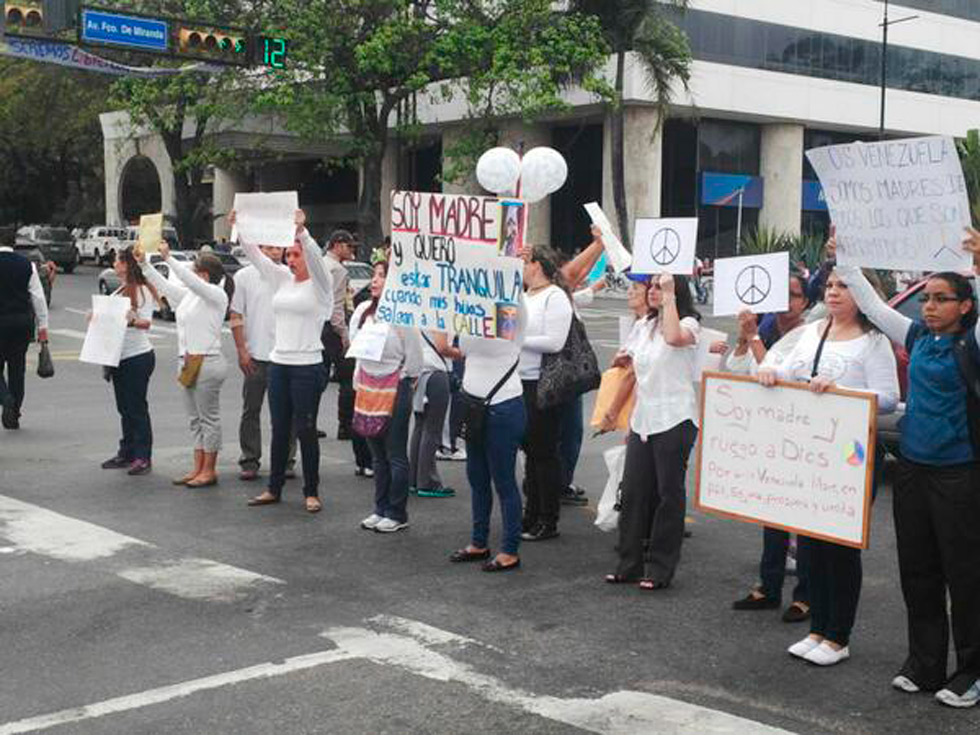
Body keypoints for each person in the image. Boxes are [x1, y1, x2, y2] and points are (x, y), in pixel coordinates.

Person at [835, 228, 980, 707]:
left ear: (964, 306)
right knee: (918, 571)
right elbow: (875, 309)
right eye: (928, 298)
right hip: (913, 470)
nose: (930, 306)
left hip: (959, 475)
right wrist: (848, 258)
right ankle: (925, 665)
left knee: (965, 576)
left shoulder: (972, 346)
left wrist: (978, 266)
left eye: (942, 299)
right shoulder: (918, 337)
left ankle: (972, 673)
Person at [757, 269, 899, 667]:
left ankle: (839, 636)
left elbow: (888, 398)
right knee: (811, 548)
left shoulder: (873, 341)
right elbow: (785, 367)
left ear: (866, 296)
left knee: (840, 548)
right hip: (808, 453)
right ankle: (817, 627)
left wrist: (842, 392)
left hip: (849, 455)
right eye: (832, 286)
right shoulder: (812, 330)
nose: (834, 292)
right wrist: (771, 373)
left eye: (845, 287)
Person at [599, 274, 701, 590]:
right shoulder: (643, 325)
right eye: (653, 286)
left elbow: (674, 338)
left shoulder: (689, 323)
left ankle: (660, 568)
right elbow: (627, 362)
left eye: (661, 286)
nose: (654, 291)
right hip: (644, 418)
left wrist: (670, 296)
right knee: (632, 492)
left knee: (668, 495)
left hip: (675, 418)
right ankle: (628, 563)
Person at [234, 210, 334, 513]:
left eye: (295, 254)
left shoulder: (320, 284)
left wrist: (303, 232)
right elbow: (255, 256)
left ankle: (311, 491)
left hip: (308, 365)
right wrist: (242, 226)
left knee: (304, 428)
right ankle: (273, 488)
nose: (290, 260)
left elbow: (316, 258)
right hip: (280, 363)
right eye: (288, 254)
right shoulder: (282, 279)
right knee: (279, 428)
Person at [727, 272, 813, 623]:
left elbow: (779, 376)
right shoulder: (763, 326)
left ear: (806, 302)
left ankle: (806, 594)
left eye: (794, 295)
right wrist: (743, 340)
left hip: (798, 435)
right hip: (766, 433)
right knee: (772, 512)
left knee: (803, 516)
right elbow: (736, 369)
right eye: (782, 294)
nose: (787, 302)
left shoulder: (808, 334)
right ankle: (769, 585)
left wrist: (753, 336)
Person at [139, 241, 233, 487]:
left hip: (208, 361)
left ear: (203, 275)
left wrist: (169, 259)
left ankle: (209, 470)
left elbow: (191, 282)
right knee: (195, 419)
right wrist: (144, 264)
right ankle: (198, 467)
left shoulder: (216, 295)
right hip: (188, 361)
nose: (189, 273)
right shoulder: (192, 296)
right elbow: (166, 287)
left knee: (208, 418)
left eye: (193, 269)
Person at [450, 302, 528, 572]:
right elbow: (459, 347)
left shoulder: (511, 307)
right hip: (474, 403)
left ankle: (509, 549)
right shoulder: (469, 309)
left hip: (502, 406)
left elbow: (498, 339)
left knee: (504, 480)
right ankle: (478, 541)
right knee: (477, 476)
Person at [353, 260, 422, 533]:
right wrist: (360, 379)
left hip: (395, 386)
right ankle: (379, 508)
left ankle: (397, 512)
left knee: (394, 452)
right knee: (377, 455)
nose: (375, 280)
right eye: (375, 275)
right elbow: (357, 348)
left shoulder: (403, 315)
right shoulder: (364, 312)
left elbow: (415, 358)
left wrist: (401, 378)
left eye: (382, 276)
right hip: (367, 388)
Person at [519, 244, 574, 542]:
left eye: (525, 263)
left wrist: (517, 336)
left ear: (537, 266)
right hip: (520, 380)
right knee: (530, 452)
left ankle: (547, 518)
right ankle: (531, 512)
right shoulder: (525, 295)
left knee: (544, 453)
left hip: (542, 382)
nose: (521, 268)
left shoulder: (555, 297)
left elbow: (554, 341)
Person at [229, 243, 297, 482]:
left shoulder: (290, 275)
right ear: (258, 249)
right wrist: (241, 350)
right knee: (251, 410)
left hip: (286, 355)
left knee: (286, 414)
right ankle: (249, 460)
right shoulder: (243, 276)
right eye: (268, 247)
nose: (273, 252)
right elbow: (236, 315)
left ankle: (286, 460)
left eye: (278, 248)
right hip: (256, 355)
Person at [100, 247, 158, 475]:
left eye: (117, 260)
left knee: (136, 407)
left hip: (137, 356)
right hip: (119, 356)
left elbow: (146, 323)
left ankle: (143, 456)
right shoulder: (121, 289)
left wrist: (131, 321)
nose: (114, 263)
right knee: (124, 407)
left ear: (126, 264)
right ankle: (127, 451)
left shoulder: (141, 290)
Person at [0, 243, 48, 430]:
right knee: (17, 368)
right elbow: (38, 298)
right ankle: (15, 414)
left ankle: (6, 400)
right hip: (22, 323)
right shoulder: (27, 264)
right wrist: (43, 327)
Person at [409, 330, 459, 498]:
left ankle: (414, 479)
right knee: (432, 429)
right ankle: (428, 481)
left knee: (420, 426)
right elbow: (442, 346)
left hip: (419, 371)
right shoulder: (439, 312)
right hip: (435, 372)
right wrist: (462, 353)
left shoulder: (417, 310)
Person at [321, 230, 356, 441]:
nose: (351, 250)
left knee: (320, 377)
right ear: (337, 245)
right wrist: (344, 334)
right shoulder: (338, 270)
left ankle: (309, 421)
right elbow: (336, 306)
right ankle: (345, 425)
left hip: (317, 325)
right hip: (331, 329)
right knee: (347, 376)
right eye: (349, 246)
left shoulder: (321, 264)